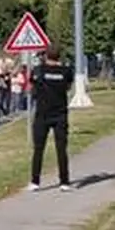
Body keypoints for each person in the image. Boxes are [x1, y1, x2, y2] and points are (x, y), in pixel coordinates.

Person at [29, 47, 74, 191]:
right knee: (61, 149)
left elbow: (32, 85)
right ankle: (64, 182)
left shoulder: (38, 70)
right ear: (59, 56)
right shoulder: (66, 71)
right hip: (60, 113)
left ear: (45, 55)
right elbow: (68, 86)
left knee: (38, 149)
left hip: (42, 114)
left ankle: (35, 181)